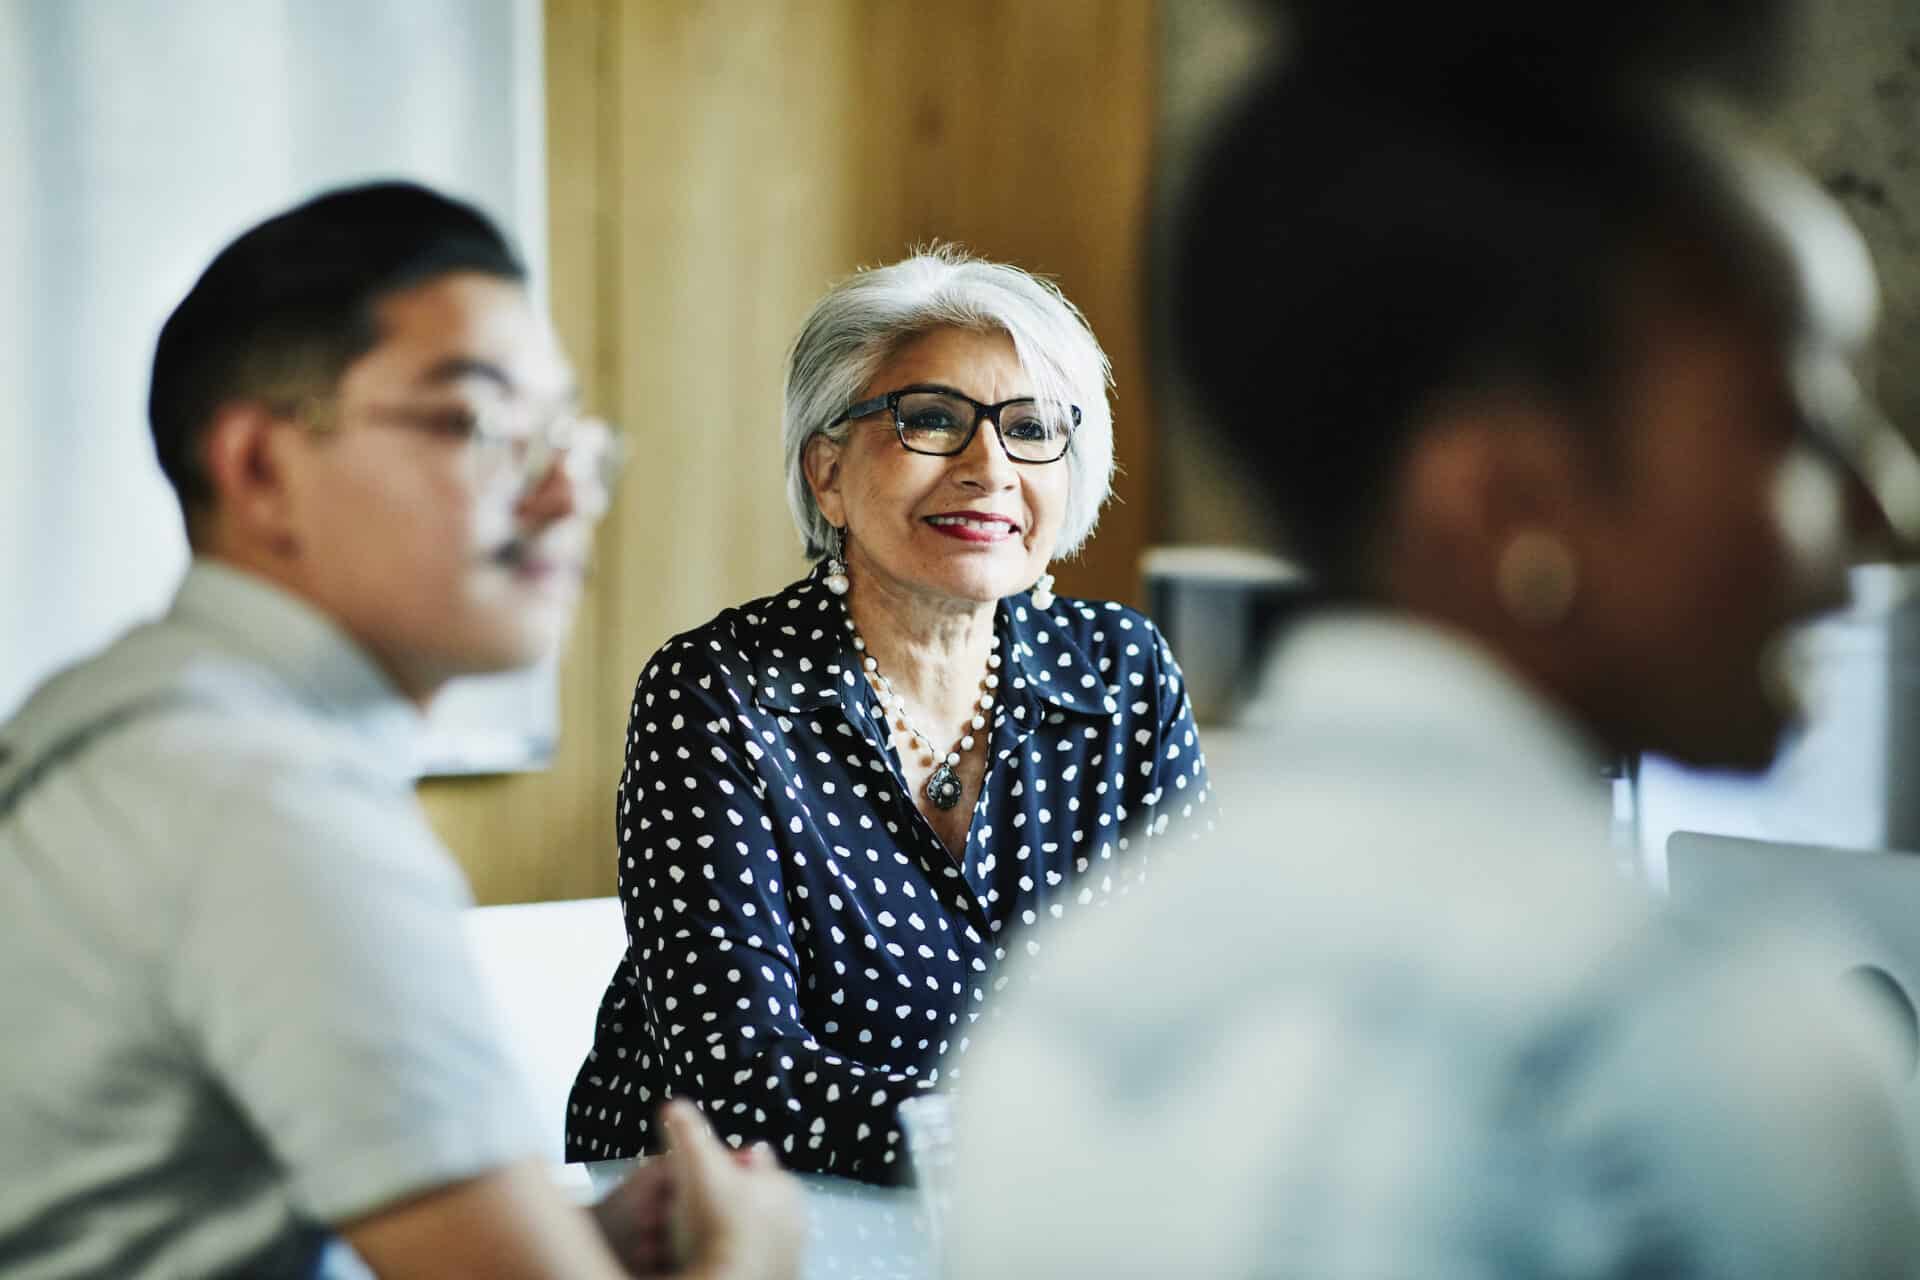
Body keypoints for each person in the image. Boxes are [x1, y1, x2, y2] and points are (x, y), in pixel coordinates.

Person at [942, 11, 1920, 1278]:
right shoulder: (1723, 1062)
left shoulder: (1062, 1020)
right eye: (1798, 420)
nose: (1883, 503)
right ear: (1507, 502)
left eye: (1028, 429)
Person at [0, 182, 802, 1279]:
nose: (566, 489)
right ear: (262, 468)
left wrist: (568, 1244)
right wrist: (746, 1262)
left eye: (566, 434)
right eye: (480, 423)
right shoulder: (266, 799)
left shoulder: (130, 714)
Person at [567, 248, 1215, 1183]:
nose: (989, 467)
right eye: (933, 421)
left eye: (1031, 427)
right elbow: (738, 1080)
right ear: (827, 473)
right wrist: (1014, 1150)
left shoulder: (1124, 676)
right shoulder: (718, 692)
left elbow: (1199, 1005)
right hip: (732, 1224)